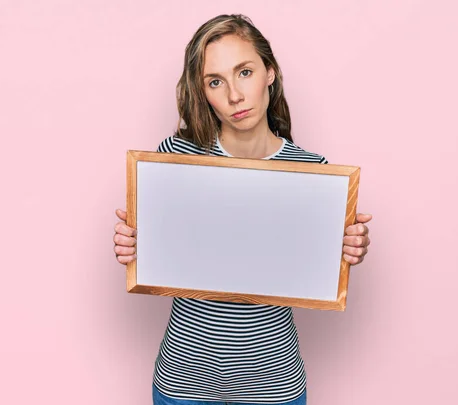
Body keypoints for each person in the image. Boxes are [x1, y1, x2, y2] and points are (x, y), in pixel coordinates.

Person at [113, 14, 372, 405]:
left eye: (245, 72)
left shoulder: (314, 175)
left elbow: (316, 270)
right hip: (182, 385)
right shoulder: (175, 158)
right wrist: (133, 245)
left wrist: (347, 246)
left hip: (274, 388)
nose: (234, 95)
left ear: (270, 72)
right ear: (203, 93)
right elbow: (156, 252)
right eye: (216, 81)